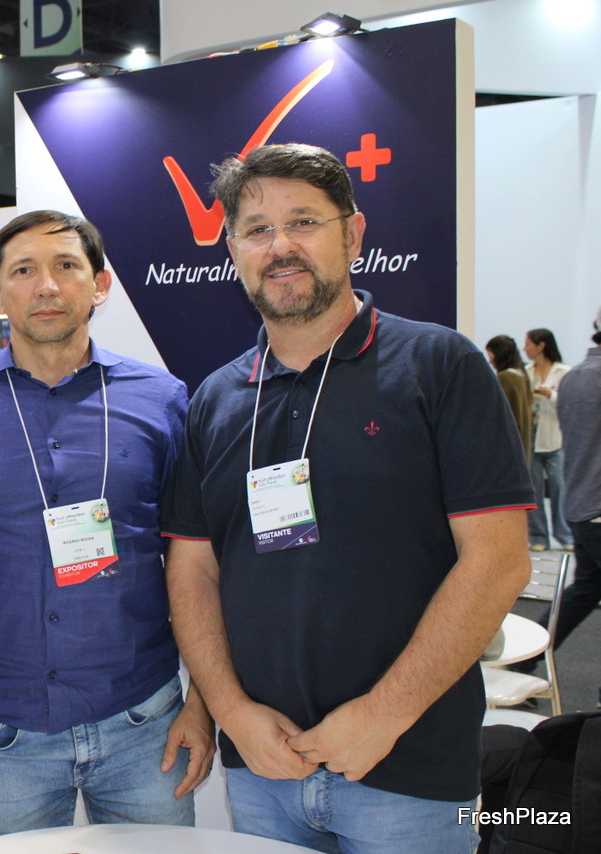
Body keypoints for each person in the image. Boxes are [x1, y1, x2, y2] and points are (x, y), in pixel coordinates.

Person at [163, 143, 533, 854]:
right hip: (262, 769)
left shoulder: (440, 365)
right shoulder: (215, 399)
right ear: (233, 251)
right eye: (258, 230)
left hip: (408, 771)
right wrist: (233, 714)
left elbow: (497, 561)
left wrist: (383, 716)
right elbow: (192, 571)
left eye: (304, 222)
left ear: (353, 234)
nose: (281, 246)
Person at [0, 210, 214, 842]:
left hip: (144, 724)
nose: (46, 286)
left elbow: (198, 560)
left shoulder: (162, 399)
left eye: (66, 266)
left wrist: (202, 704)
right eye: (23, 271)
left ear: (100, 284)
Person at [534, 308, 601, 691]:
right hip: (595, 507)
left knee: (585, 590)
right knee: (584, 590)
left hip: (581, 504)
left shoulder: (573, 377)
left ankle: (523, 662)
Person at [523, 328, 574, 551]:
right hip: (532, 437)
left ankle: (565, 535)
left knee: (559, 488)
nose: (525, 349)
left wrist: (550, 394)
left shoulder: (564, 372)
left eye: (528, 344)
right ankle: (538, 537)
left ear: (541, 345)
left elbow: (568, 402)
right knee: (533, 490)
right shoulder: (526, 372)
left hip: (555, 437)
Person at [487, 334, 533, 465]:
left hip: (508, 448)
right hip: (522, 443)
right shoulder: (522, 375)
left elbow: (500, 416)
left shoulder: (505, 378)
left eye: (490, 355)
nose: (490, 361)